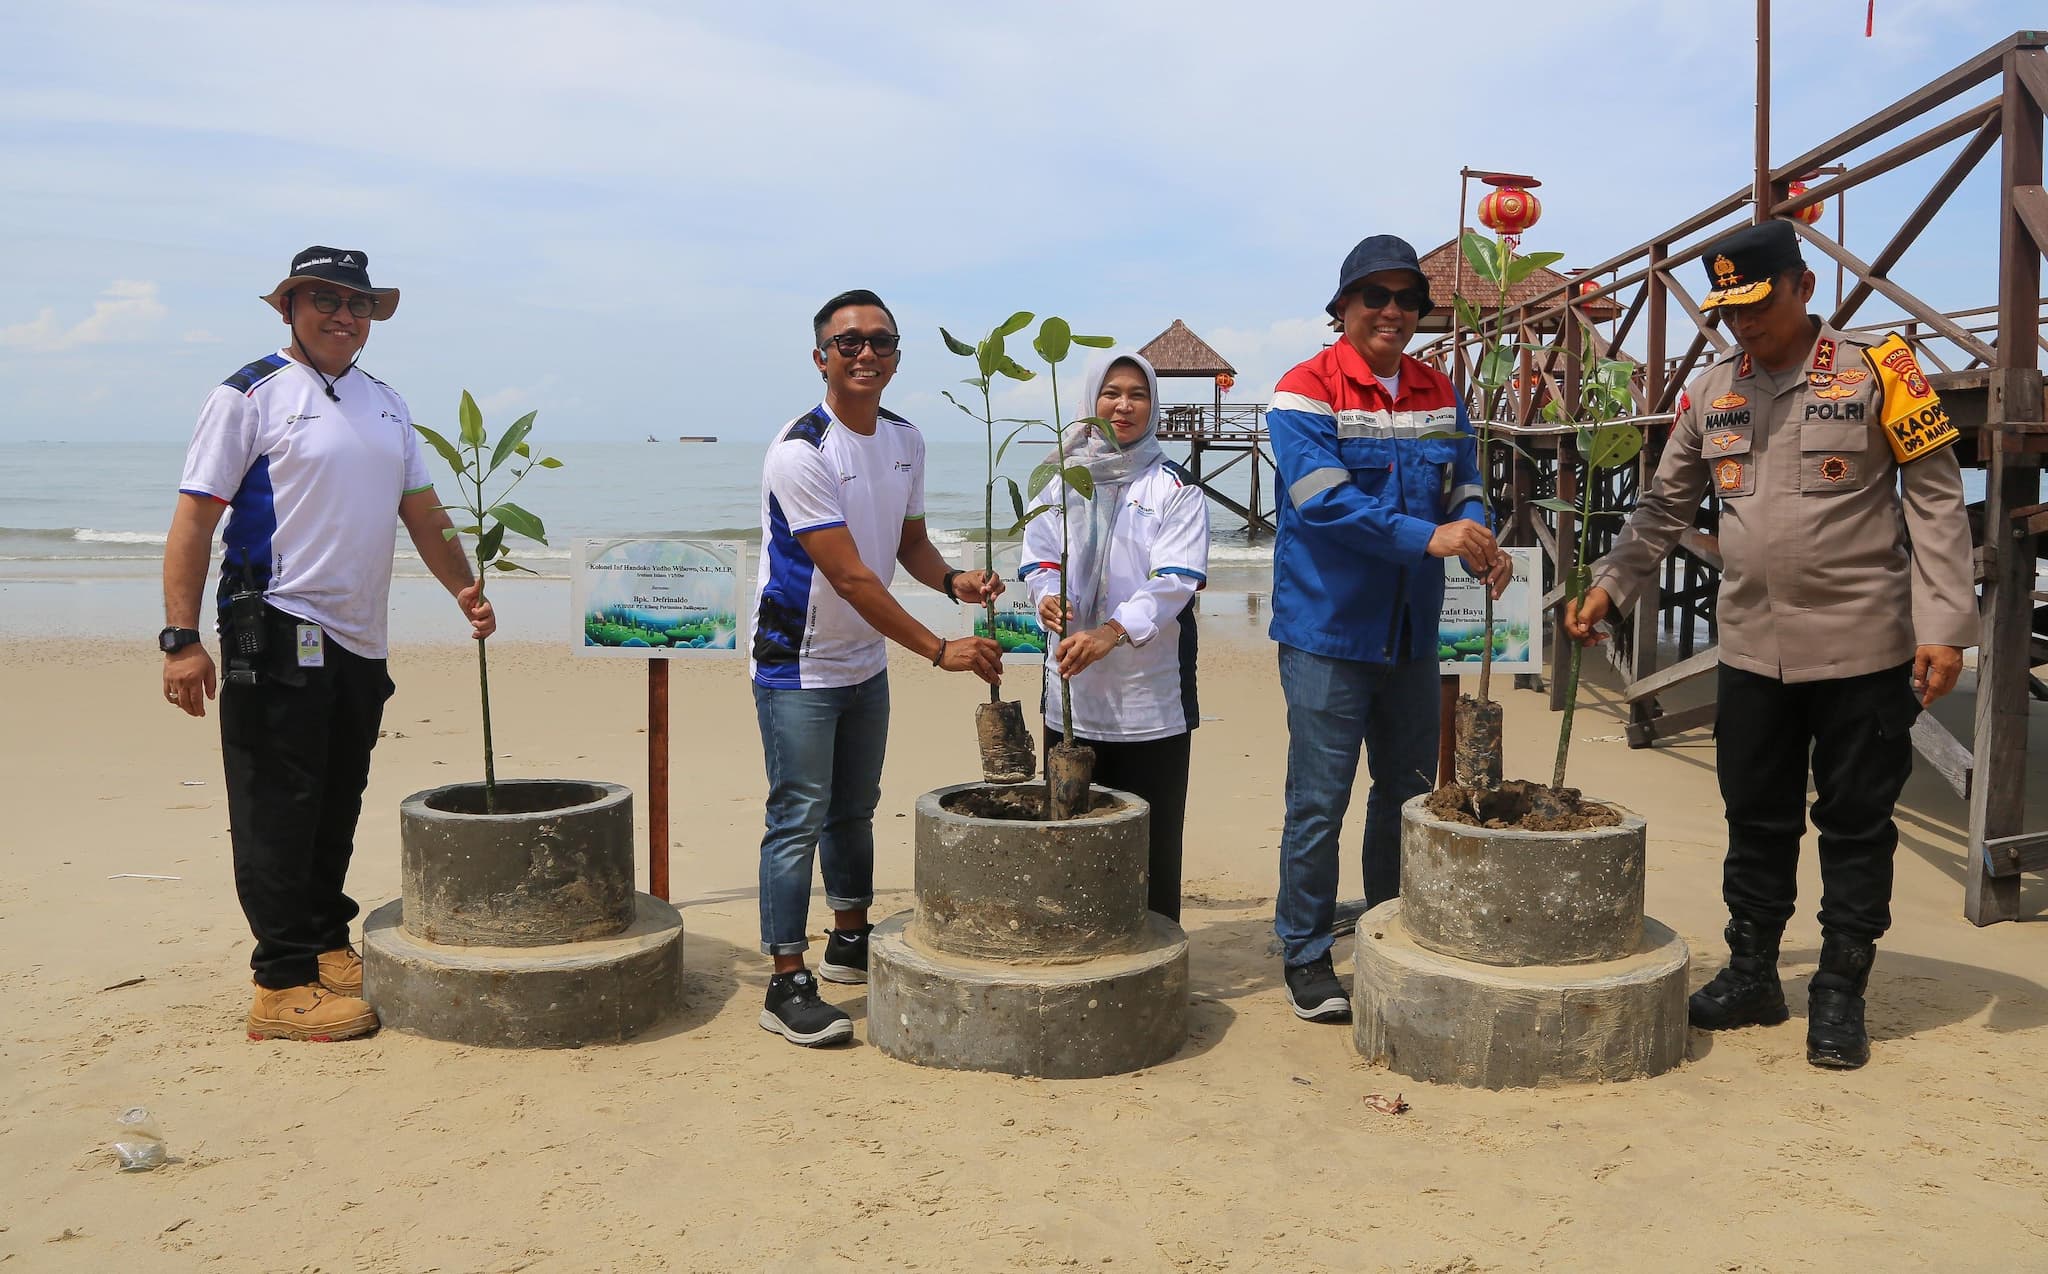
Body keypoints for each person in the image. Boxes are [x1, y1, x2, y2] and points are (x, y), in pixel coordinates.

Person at [1566, 218, 1976, 1070]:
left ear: (1802, 289)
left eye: (1757, 303)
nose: (1742, 323)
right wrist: (1613, 583)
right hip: (1751, 650)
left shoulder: (1880, 369)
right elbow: (1662, 507)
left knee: (1857, 825)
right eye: (1728, 309)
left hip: (1866, 650)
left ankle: (1840, 992)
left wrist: (1944, 624)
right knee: (1755, 819)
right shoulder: (1714, 390)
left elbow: (1936, 497)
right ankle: (1753, 972)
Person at [161, 245, 494, 1042]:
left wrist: (464, 586)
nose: (345, 316)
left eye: (359, 304)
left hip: (357, 635)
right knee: (279, 804)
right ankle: (280, 983)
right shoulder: (250, 394)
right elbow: (195, 518)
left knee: (336, 796)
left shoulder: (384, 402)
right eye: (326, 300)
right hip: (273, 621)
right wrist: (179, 638)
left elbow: (423, 511)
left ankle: (321, 939)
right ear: (289, 307)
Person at [749, 288, 1006, 1047]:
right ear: (820, 355)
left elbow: (905, 546)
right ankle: (785, 980)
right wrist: (937, 648)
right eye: (849, 342)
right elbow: (852, 576)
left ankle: (849, 938)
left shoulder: (904, 439)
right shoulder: (800, 450)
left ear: (896, 356)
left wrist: (952, 581)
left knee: (855, 806)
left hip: (863, 659)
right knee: (796, 816)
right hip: (799, 660)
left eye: (882, 342)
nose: (866, 354)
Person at [1265, 234, 1510, 1023]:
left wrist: (1475, 534)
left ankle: (1383, 923)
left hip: (1412, 633)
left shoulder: (1442, 391)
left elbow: (1465, 483)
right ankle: (1305, 951)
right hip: (1327, 635)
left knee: (1404, 791)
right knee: (1318, 802)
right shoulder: (1301, 391)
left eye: (1409, 300)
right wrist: (1431, 538)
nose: (1394, 311)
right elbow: (1324, 501)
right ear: (1343, 308)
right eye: (1377, 297)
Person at [1023, 350, 1210, 922]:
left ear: (1154, 406)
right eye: (1111, 393)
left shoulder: (1174, 487)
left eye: (1137, 394)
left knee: (1153, 841)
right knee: (1072, 835)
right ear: (1090, 401)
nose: (1123, 406)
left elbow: (1176, 580)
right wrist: (1047, 596)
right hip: (1072, 695)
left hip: (1150, 697)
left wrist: (1112, 630)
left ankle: (1154, 950)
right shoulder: (1060, 479)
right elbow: (1037, 557)